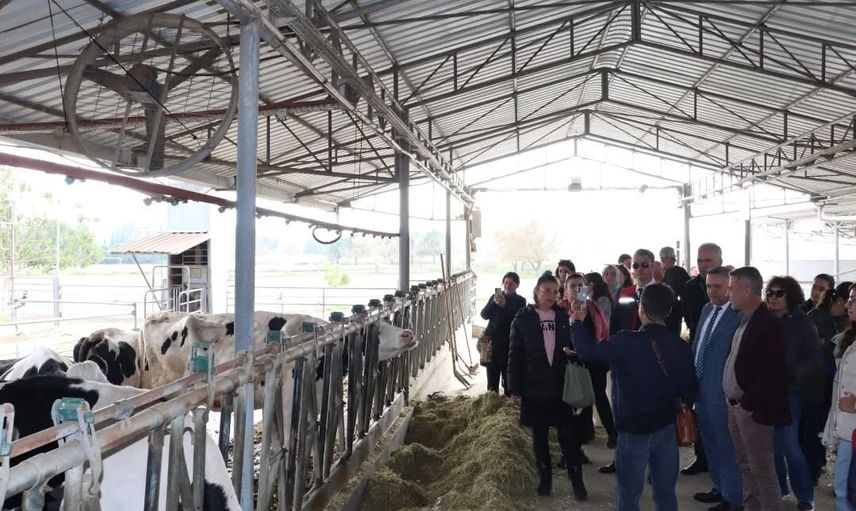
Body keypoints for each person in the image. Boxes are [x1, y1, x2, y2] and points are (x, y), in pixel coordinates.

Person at [570, 283, 698, 511]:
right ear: (668, 311)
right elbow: (691, 389)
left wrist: (577, 323)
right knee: (666, 492)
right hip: (666, 428)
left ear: (642, 310)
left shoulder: (624, 341)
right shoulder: (680, 346)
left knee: (629, 495)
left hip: (632, 429)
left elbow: (587, 352)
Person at [508, 272, 588, 500]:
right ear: (537, 292)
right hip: (534, 387)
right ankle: (545, 480)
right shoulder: (522, 318)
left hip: (560, 385)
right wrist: (514, 389)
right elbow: (514, 355)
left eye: (555, 291)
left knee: (568, 436)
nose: (551, 295)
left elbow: (577, 344)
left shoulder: (563, 316)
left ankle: (577, 482)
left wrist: (573, 352)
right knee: (540, 436)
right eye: (547, 291)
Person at [723, 267, 789, 511]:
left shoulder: (768, 324)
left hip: (753, 411)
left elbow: (773, 373)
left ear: (746, 290)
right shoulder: (745, 320)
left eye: (731, 288)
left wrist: (746, 404)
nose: (728, 293)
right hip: (736, 406)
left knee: (761, 468)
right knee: (745, 465)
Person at [765, 276, 821, 511]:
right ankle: (781, 488)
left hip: (789, 392)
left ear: (791, 296)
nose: (773, 298)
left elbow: (814, 357)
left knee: (790, 446)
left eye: (779, 293)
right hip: (765, 392)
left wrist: (792, 374)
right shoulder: (762, 319)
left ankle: (805, 496)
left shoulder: (802, 322)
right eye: (770, 293)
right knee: (772, 447)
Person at [599, 248, 657, 474]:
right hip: (624, 364)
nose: (640, 269)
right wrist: (614, 355)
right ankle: (621, 459)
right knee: (621, 413)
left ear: (653, 266)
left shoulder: (662, 293)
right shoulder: (626, 292)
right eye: (635, 265)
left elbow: (669, 331)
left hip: (651, 366)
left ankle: (653, 466)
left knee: (651, 415)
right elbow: (614, 325)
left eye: (644, 265)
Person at [691, 267, 744, 511]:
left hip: (722, 392)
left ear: (729, 287)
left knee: (726, 444)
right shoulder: (706, 309)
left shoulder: (738, 315)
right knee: (709, 441)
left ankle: (734, 498)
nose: (712, 291)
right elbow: (697, 344)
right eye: (709, 286)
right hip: (700, 388)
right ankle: (720, 487)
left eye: (717, 287)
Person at [681, 242, 724, 476]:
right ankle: (702, 458)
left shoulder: (731, 290)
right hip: (698, 348)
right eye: (700, 260)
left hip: (719, 363)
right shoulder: (689, 288)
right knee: (700, 415)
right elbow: (690, 322)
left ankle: (722, 472)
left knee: (719, 425)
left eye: (708, 260)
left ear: (719, 261)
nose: (703, 265)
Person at [561, 273, 615, 452]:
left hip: (594, 360)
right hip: (573, 363)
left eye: (581, 285)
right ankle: (582, 438)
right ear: (565, 290)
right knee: (578, 400)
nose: (577, 289)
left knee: (599, 396)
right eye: (573, 286)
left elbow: (603, 332)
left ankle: (613, 434)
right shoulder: (561, 310)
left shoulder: (593, 307)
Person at [806, 281, 852, 483]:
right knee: (814, 426)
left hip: (840, 387)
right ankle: (813, 469)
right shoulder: (815, 316)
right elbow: (808, 347)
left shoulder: (848, 323)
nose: (849, 306)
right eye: (849, 301)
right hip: (817, 382)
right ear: (840, 301)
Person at [822, 283, 856, 511]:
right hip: (847, 429)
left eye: (854, 300)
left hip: (852, 429)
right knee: (843, 489)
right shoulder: (847, 338)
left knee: (847, 490)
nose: (848, 304)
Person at [480, 272, 526, 395]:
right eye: (505, 283)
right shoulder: (495, 297)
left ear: (517, 285)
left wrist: (504, 306)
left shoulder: (520, 301)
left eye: (511, 283)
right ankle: (491, 398)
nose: (507, 286)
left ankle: (508, 400)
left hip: (509, 343)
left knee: (508, 378)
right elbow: (484, 315)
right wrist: (493, 303)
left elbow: (517, 319)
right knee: (492, 378)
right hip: (492, 343)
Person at [661, 246, 690, 336]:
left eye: (675, 258)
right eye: (673, 259)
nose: (675, 261)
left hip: (675, 312)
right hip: (658, 313)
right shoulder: (655, 271)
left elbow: (689, 288)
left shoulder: (680, 272)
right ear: (663, 259)